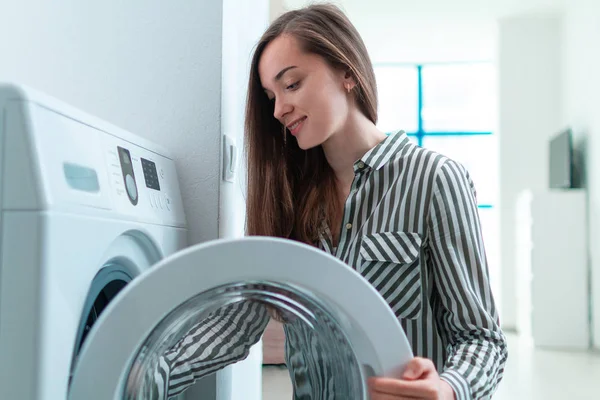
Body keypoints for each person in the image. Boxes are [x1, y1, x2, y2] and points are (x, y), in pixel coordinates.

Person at [139, 3, 507, 399]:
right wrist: (137, 373)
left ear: (347, 72)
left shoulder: (434, 178)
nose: (279, 109)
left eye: (292, 84)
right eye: (271, 96)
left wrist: (449, 389)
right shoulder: (288, 199)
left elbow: (482, 339)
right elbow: (237, 321)